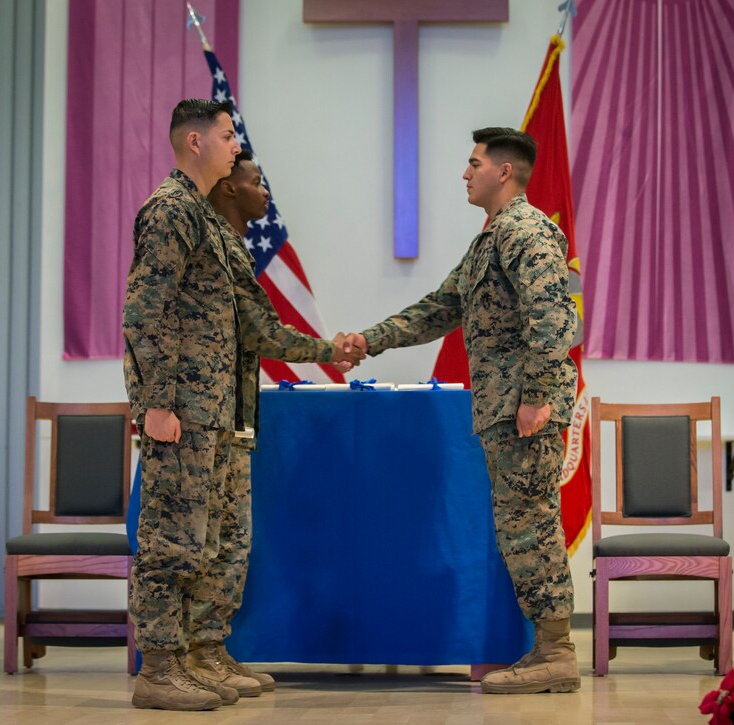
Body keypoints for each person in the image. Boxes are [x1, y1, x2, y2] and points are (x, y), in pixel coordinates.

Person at [123, 100, 361, 711]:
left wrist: (326, 348)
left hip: (218, 411)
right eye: (229, 137)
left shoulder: (207, 225)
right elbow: (145, 313)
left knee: (210, 541)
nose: (237, 146)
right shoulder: (171, 211)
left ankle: (199, 653)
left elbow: (253, 326)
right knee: (171, 541)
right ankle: (159, 669)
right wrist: (155, 403)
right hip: (181, 411)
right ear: (196, 141)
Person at [344, 127, 580, 695]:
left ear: (504, 171)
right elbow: (438, 308)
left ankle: (556, 654)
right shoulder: (489, 241)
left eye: (474, 163)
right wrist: (368, 340)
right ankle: (549, 650)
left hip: (524, 410)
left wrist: (536, 398)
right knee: (519, 527)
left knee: (532, 527)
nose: (465, 173)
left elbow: (552, 318)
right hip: (503, 408)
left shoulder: (527, 231)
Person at [196, 151, 362, 693]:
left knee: (230, 543)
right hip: (204, 419)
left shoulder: (234, 249)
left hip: (233, 417)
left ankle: (209, 651)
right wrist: (327, 348)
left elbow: (256, 331)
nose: (265, 191)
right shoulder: (205, 238)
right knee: (197, 545)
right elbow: (263, 333)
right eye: (256, 181)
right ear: (227, 189)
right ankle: (189, 658)